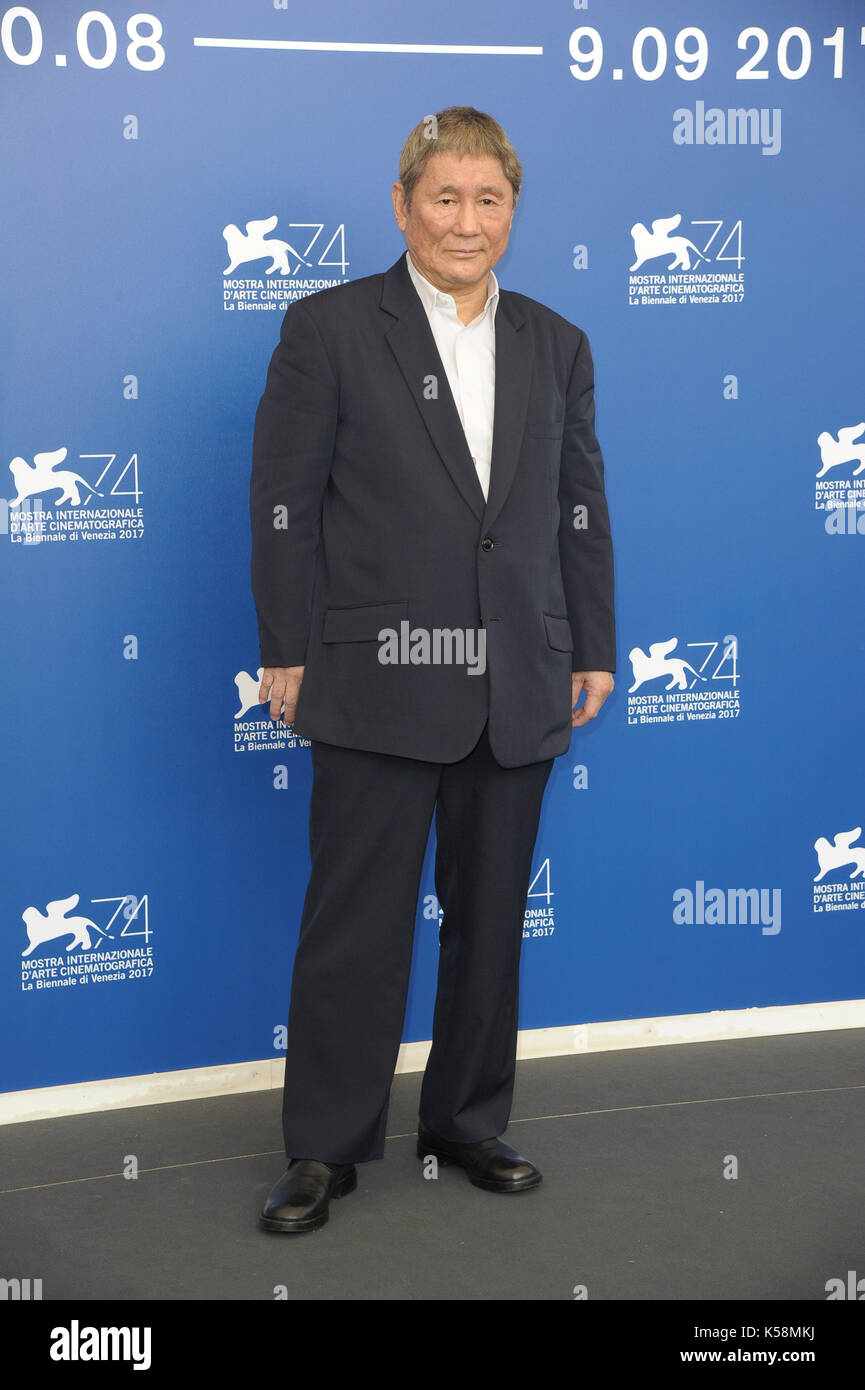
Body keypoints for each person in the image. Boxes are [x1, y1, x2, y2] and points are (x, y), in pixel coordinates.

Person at [249, 106, 615, 1234]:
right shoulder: (327, 327)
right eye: (444, 198)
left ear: (512, 211)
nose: (466, 220)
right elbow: (283, 507)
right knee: (352, 923)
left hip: (518, 679)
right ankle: (324, 1144)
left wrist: (592, 642)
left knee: (491, 916)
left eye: (487, 199)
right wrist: (285, 646)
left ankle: (464, 1118)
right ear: (404, 206)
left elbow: (577, 506)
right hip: (376, 676)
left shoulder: (556, 341)